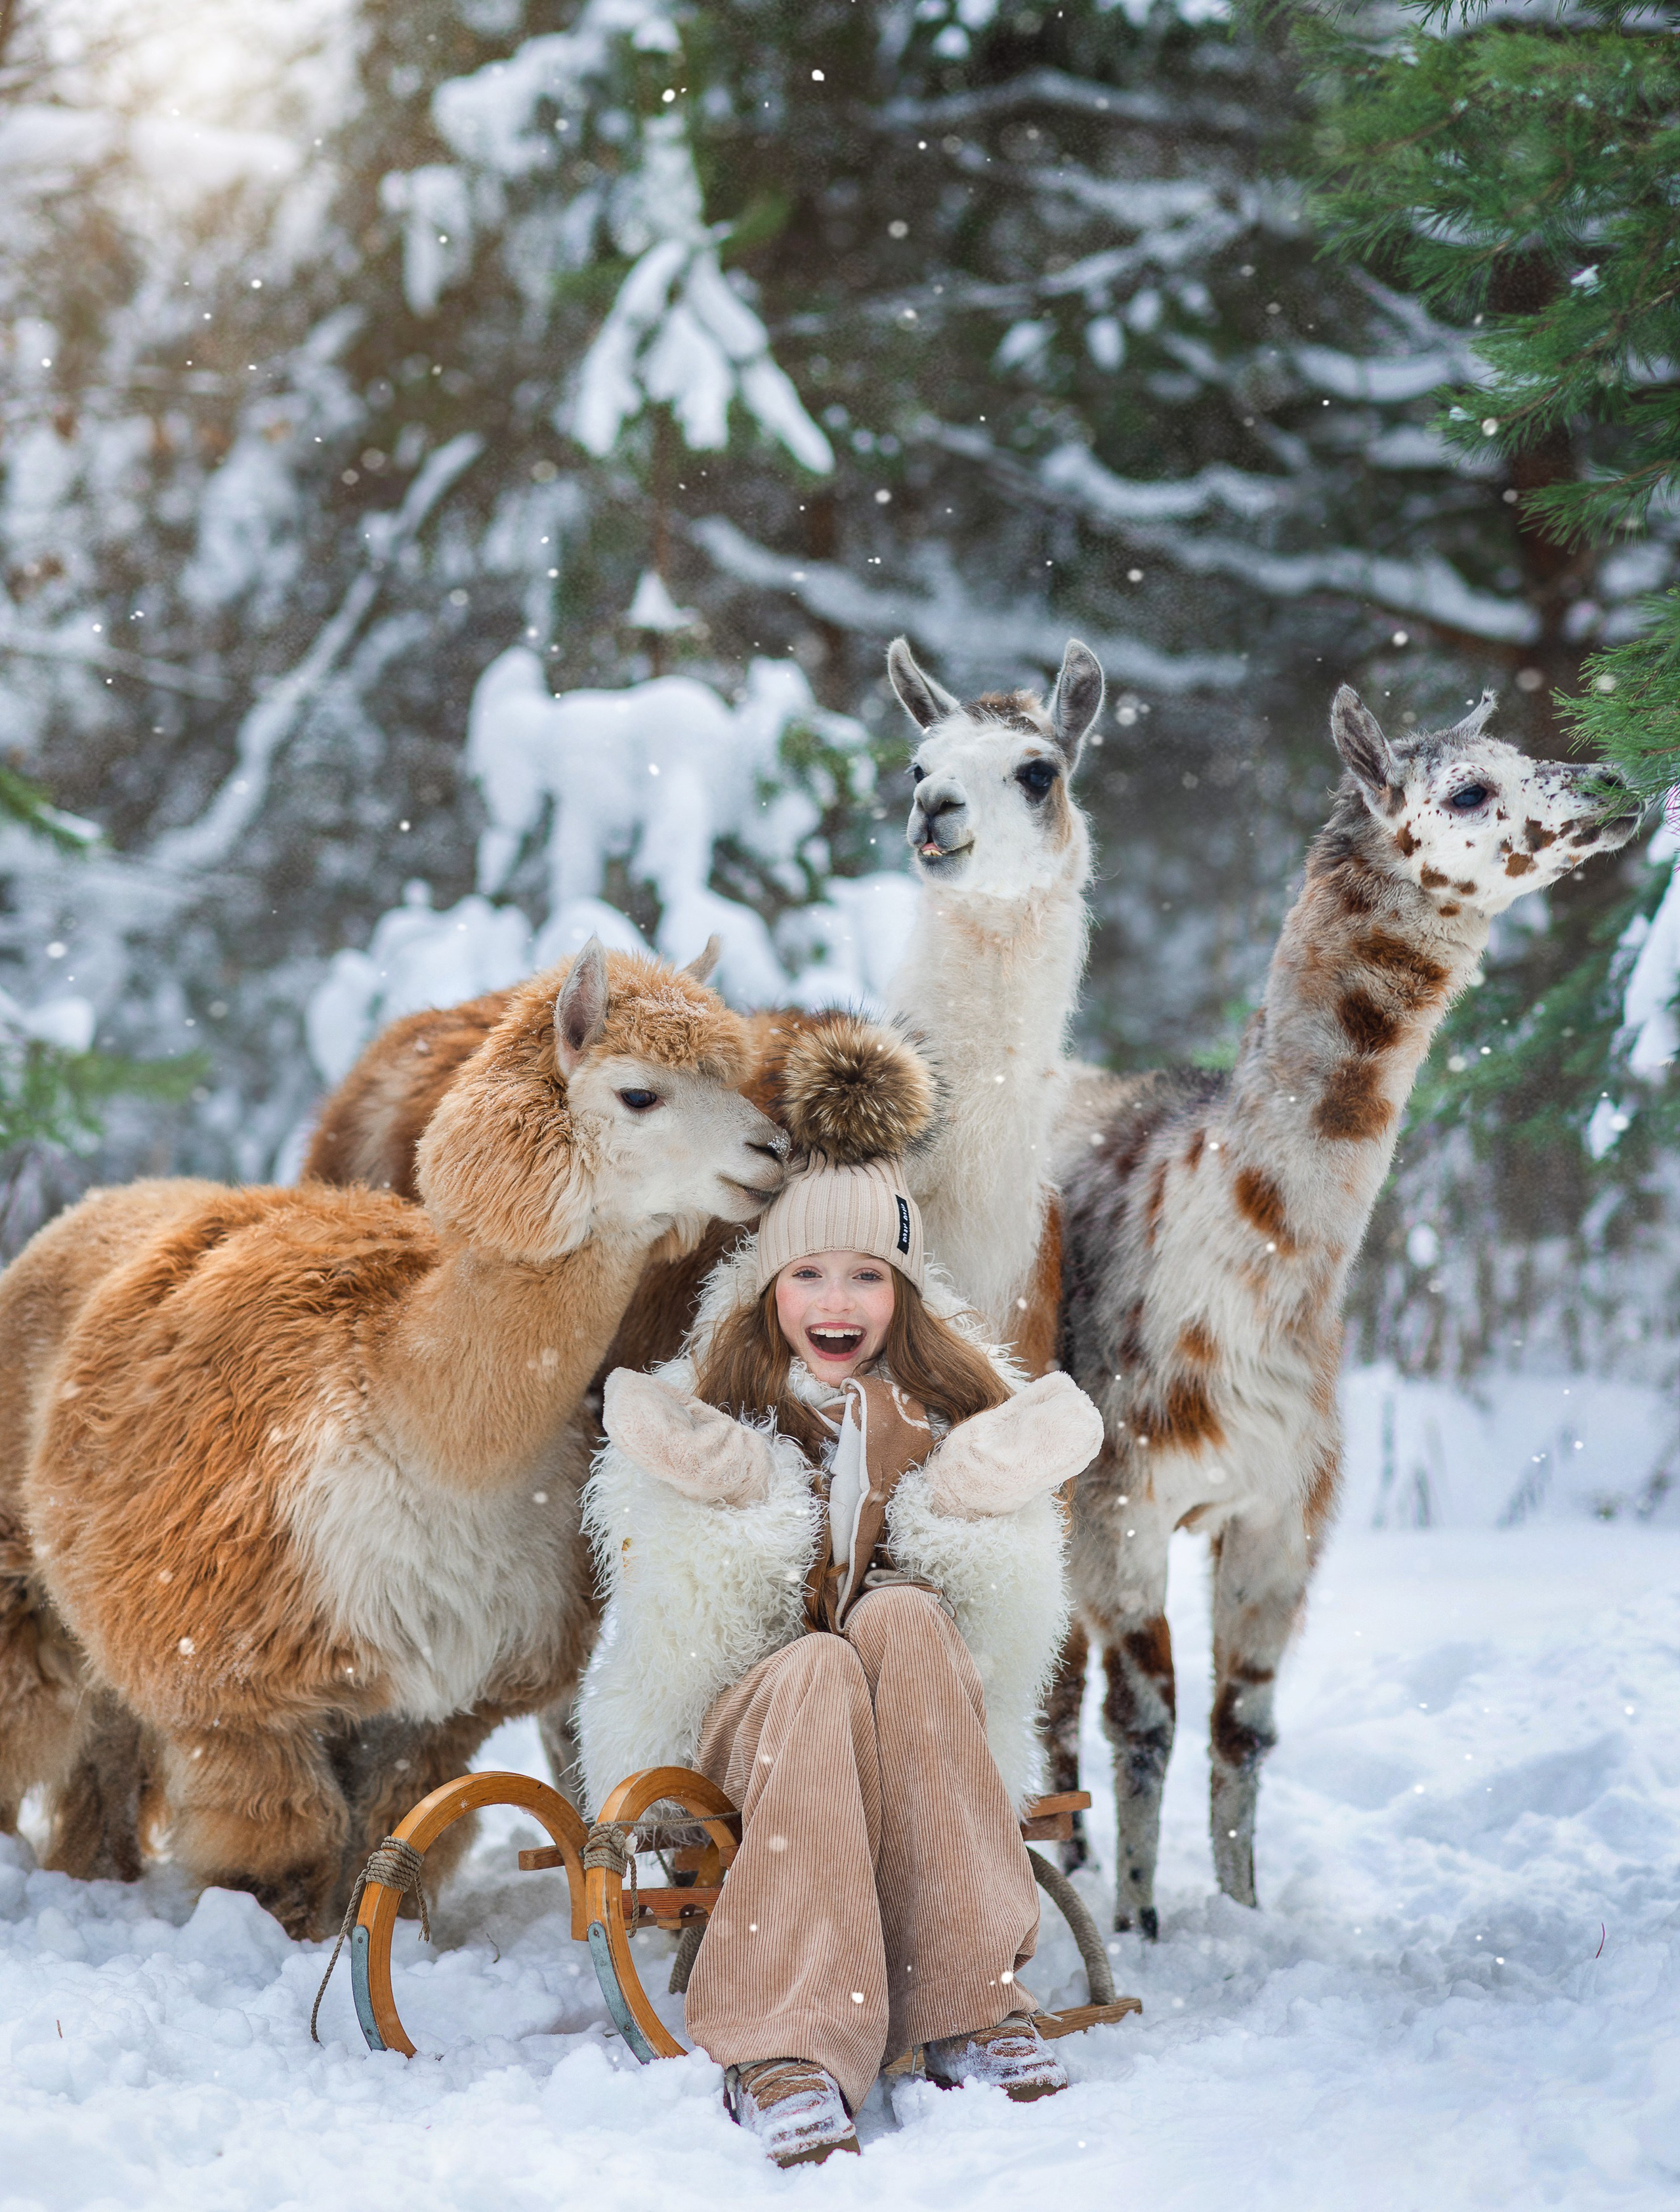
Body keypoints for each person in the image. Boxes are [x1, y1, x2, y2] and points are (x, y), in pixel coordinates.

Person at [576, 1022, 1103, 2167]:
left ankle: (969, 2002)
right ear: (769, 1287)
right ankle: (790, 2043)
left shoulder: (939, 1407)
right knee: (816, 1662)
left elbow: (1007, 1587)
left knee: (904, 1614)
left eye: (866, 1274)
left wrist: (960, 1503)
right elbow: (674, 1588)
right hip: (755, 1725)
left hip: (914, 1720)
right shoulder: (723, 1399)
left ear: (901, 1293)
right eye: (809, 1272)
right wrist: (746, 1495)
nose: (838, 1298)